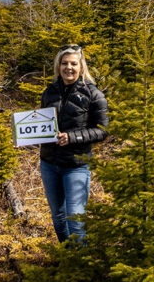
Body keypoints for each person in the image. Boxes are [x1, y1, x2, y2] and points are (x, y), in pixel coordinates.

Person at [39, 44, 109, 243]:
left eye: (73, 63)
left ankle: (80, 267)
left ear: (81, 67)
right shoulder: (49, 92)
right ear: (58, 66)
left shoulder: (93, 94)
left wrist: (72, 137)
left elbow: (102, 131)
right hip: (49, 163)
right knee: (58, 217)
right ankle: (67, 257)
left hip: (76, 166)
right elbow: (42, 124)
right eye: (64, 63)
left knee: (76, 220)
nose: (68, 67)